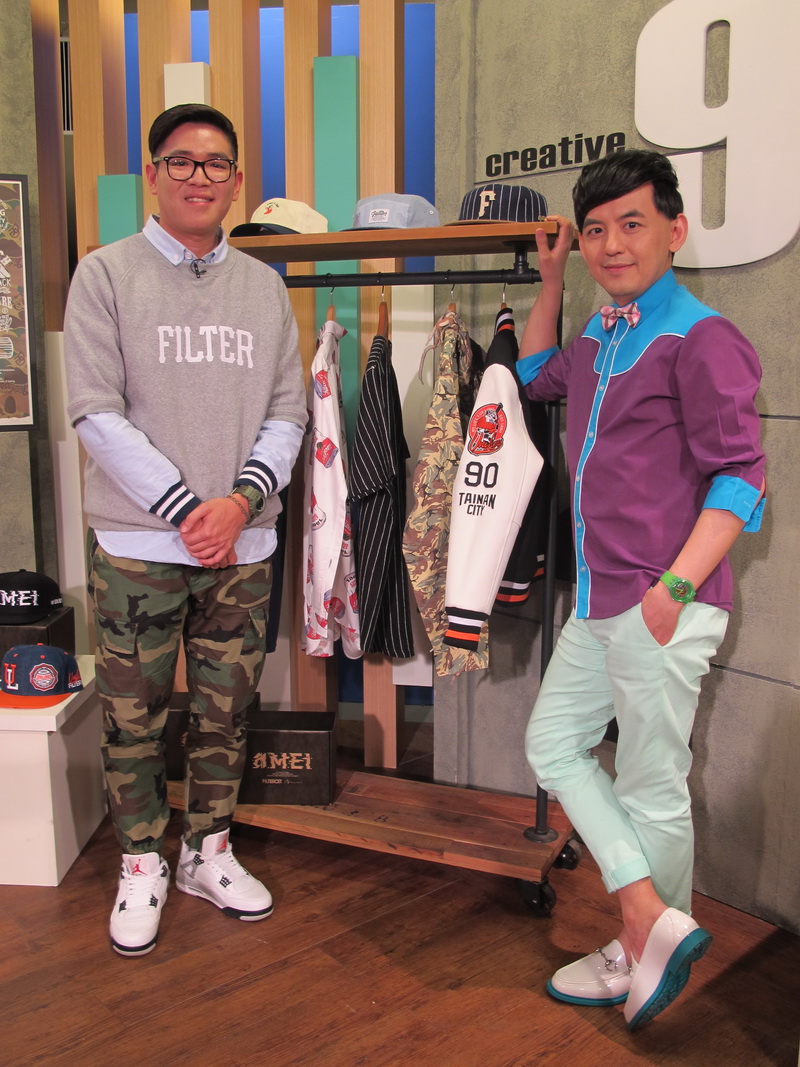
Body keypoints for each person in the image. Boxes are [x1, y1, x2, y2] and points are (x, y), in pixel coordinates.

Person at [518, 150, 765, 1028]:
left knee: (653, 783)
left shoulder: (701, 337)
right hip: (599, 598)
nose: (612, 244)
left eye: (632, 224)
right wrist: (552, 279)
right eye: (596, 230)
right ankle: (648, 915)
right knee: (553, 745)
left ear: (674, 230)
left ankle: (640, 946)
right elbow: (535, 375)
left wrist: (674, 588)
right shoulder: (601, 331)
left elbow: (742, 476)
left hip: (662, 600)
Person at [64, 103, 307, 956]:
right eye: (181, 161)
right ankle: (141, 861)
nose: (198, 177)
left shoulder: (264, 287)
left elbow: (289, 411)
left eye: (215, 164)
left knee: (224, 713)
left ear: (236, 181)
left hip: (243, 544)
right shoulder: (105, 275)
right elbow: (94, 412)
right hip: (138, 547)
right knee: (132, 718)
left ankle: (208, 850)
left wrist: (238, 502)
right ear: (154, 174)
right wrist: (184, 510)